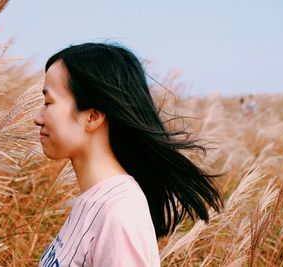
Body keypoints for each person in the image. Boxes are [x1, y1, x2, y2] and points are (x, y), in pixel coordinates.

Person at [34, 43, 223, 266]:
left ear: (93, 117)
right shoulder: (93, 200)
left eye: (48, 102)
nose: (38, 117)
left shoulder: (120, 212)